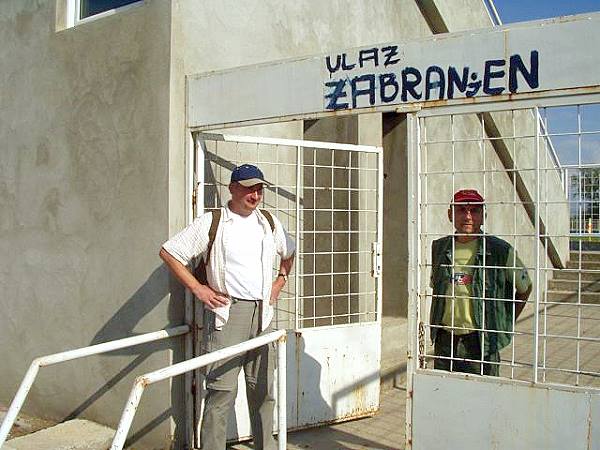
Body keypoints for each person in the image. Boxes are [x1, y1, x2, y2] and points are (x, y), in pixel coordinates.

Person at [159, 163, 295, 450]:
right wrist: (198, 288)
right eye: (248, 188)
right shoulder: (214, 222)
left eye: (259, 189)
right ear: (233, 188)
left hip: (263, 314)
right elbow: (169, 252)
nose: (255, 195)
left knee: (263, 391)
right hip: (228, 314)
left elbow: (289, 252)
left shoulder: (268, 222)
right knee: (221, 392)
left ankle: (265, 447)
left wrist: (279, 281)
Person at [429, 189, 532, 376]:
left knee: (485, 399)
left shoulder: (500, 251)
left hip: (481, 342)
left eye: (475, 211)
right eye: (461, 210)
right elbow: (437, 288)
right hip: (445, 341)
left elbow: (525, 288)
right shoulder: (439, 248)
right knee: (445, 397)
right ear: (450, 214)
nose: (468, 217)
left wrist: (505, 321)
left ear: (483, 216)